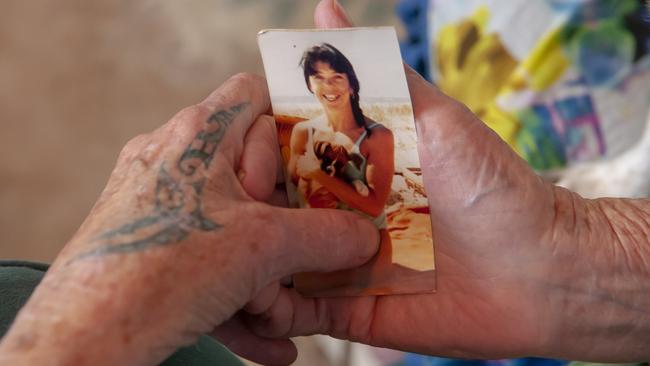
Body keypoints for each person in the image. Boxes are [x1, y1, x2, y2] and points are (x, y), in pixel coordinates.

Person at [0, 1, 648, 365]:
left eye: (337, 80)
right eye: (319, 84)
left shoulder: (388, 141)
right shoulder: (312, 144)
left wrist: (570, 259)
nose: (329, 89)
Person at [287, 43, 395, 296]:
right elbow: (293, 192)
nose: (329, 87)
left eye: (337, 78)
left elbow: (374, 206)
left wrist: (319, 175)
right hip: (319, 244)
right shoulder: (303, 132)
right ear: (309, 85)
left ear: (352, 84)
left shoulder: (376, 136)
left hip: (369, 246)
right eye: (319, 78)